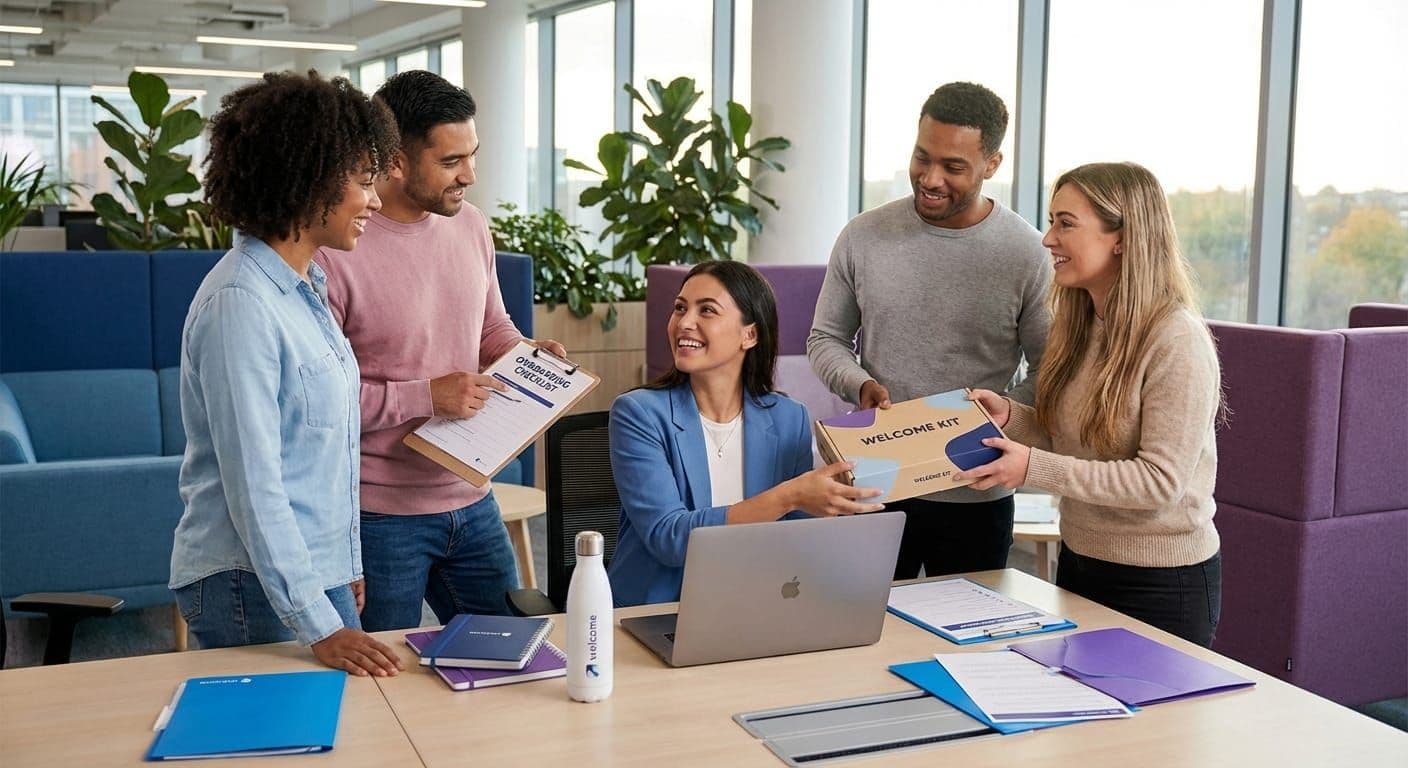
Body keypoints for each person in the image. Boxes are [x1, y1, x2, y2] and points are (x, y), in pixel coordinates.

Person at [168, 71, 404, 676]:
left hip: (304, 574)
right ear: (313, 180)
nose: (374, 201)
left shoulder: (305, 290)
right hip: (250, 582)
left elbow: (319, 455)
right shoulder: (241, 303)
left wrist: (342, 562)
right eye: (363, 182)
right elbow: (256, 484)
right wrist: (319, 617)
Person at [313, 70, 564, 632]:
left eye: (471, 156)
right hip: (377, 512)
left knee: (513, 651)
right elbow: (324, 401)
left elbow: (490, 327)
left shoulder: (470, 226)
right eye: (451, 162)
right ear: (395, 161)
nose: (469, 176)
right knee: (385, 687)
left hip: (470, 497)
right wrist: (427, 396)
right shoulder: (336, 247)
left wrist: (528, 355)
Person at [957, 162, 1223, 647]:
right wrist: (1013, 418)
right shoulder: (1080, 324)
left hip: (1162, 582)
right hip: (1081, 561)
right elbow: (1075, 439)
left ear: (1121, 236)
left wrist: (1033, 468)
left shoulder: (1175, 339)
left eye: (1066, 223)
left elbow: (1159, 482)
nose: (1047, 239)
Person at [807, 81, 1051, 580]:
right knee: (860, 639)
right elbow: (825, 339)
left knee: (964, 647)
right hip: (873, 484)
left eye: (954, 167)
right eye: (923, 157)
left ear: (992, 165)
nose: (931, 178)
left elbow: (1050, 370)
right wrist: (860, 384)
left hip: (975, 489)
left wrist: (1000, 413)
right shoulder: (863, 236)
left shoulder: (1027, 254)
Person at [609, 261, 885, 607]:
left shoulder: (788, 417)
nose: (685, 322)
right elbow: (669, 537)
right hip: (661, 610)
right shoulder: (639, 413)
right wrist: (790, 496)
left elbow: (794, 533)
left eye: (706, 310)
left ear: (749, 335)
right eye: (680, 308)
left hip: (757, 602)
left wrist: (836, 497)